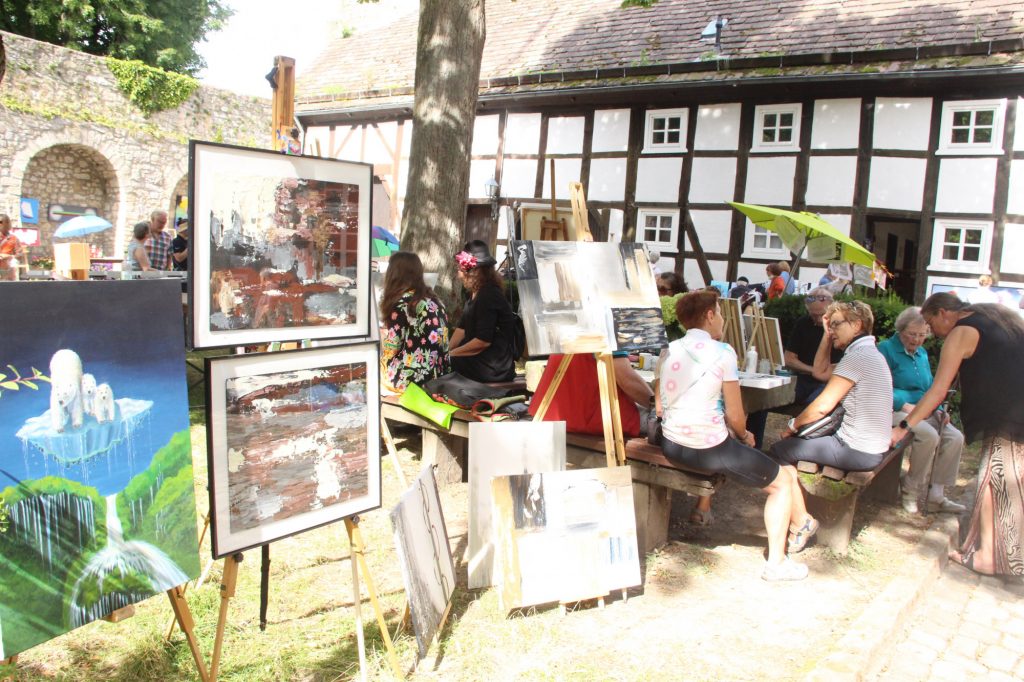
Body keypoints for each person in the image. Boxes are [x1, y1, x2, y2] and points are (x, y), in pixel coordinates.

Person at [657, 289, 814, 580]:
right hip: (706, 447)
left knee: (783, 473)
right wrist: (744, 436)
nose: (722, 320)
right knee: (781, 481)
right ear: (709, 315)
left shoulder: (670, 349)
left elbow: (659, 402)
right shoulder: (723, 353)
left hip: (671, 443)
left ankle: (801, 522)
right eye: (720, 312)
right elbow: (735, 414)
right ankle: (777, 563)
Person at [893, 293, 1024, 576]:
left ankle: (992, 557)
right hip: (1016, 410)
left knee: (997, 481)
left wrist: (904, 425)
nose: (931, 332)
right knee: (1007, 479)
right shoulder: (996, 318)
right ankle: (1004, 554)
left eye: (930, 323)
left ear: (943, 313)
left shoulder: (962, 331)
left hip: (1008, 416)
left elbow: (938, 389)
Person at [772, 300, 893, 473]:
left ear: (857, 325)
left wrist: (792, 426)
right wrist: (826, 336)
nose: (832, 330)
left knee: (780, 450)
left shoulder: (856, 358)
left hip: (856, 450)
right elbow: (820, 372)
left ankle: (791, 498)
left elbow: (822, 407)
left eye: (836, 324)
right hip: (870, 448)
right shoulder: (870, 354)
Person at [878, 307, 965, 514]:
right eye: (912, 334)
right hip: (893, 409)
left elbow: (930, 388)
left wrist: (939, 409)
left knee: (955, 437)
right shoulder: (885, 349)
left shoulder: (922, 353)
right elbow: (879, 385)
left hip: (922, 410)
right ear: (900, 330)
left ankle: (936, 495)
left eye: (922, 335)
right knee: (928, 435)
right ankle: (910, 488)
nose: (917, 340)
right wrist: (903, 404)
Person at [528, 352, 653, 437]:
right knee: (662, 423)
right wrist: (657, 405)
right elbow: (627, 380)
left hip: (548, 413)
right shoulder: (605, 323)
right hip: (585, 416)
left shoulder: (571, 320)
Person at [379, 251, 450, 392]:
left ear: (393, 274)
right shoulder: (434, 299)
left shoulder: (402, 302)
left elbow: (392, 347)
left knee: (373, 370)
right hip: (441, 375)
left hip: (414, 379)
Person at [450, 240, 517, 383]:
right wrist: (445, 351)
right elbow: (461, 329)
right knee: (442, 362)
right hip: (484, 359)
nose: (458, 268)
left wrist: (451, 355)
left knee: (446, 364)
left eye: (460, 265)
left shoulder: (488, 294)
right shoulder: (476, 293)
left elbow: (482, 341)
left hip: (494, 366)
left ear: (471, 270)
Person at [784, 287, 842, 405]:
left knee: (813, 403)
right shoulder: (803, 323)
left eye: (822, 315)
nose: (818, 320)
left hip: (829, 381)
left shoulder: (840, 327)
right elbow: (789, 359)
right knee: (766, 398)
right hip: (803, 378)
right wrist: (815, 371)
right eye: (813, 315)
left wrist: (821, 373)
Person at [0, 213, 24, 281]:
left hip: (7, 271)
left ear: (7, 224)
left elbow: (20, 255)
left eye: (1, 223)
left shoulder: (13, 239)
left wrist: (8, 256)